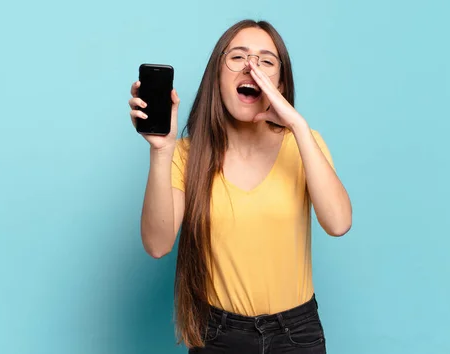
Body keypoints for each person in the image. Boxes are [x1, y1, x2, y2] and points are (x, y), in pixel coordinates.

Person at [128, 19, 352, 354]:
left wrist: (298, 126)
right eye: (238, 57)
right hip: (218, 337)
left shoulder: (304, 145)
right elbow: (157, 245)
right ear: (217, 75)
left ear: (279, 81)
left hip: (297, 335)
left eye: (266, 61)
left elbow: (339, 223)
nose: (251, 67)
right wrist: (161, 150)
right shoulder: (186, 156)